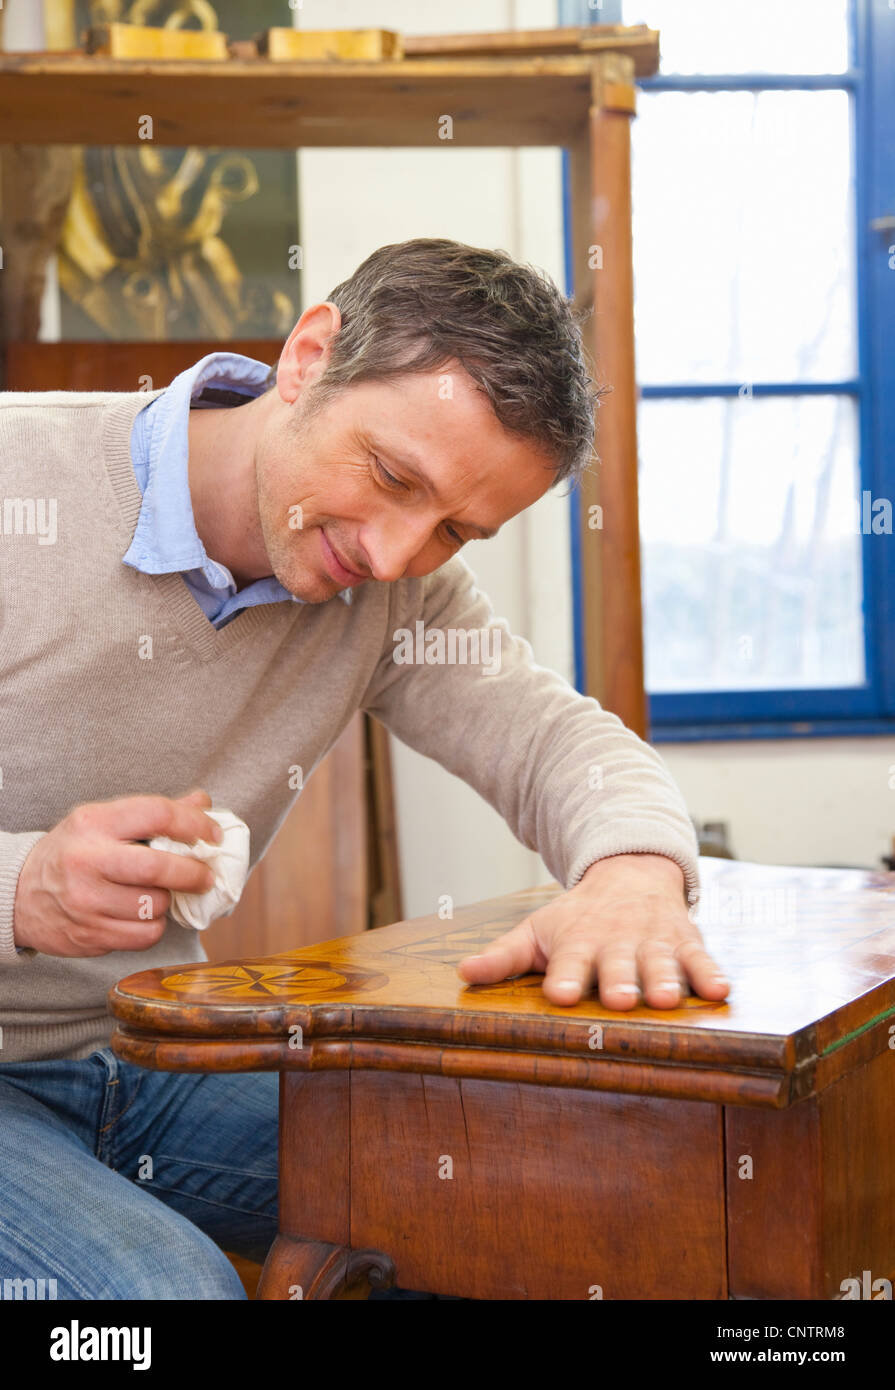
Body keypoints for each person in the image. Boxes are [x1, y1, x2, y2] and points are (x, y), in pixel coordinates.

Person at [0, 238, 728, 1299]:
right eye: (392, 476)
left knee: (554, 1193)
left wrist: (632, 875)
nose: (391, 557)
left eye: (453, 532)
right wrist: (19, 888)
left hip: (149, 1057)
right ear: (308, 355)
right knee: (163, 1296)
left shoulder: (394, 595)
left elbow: (549, 737)